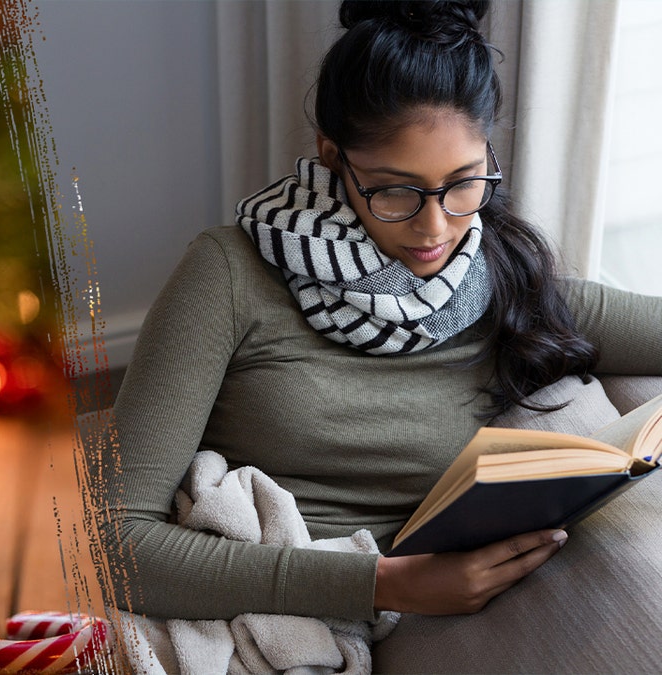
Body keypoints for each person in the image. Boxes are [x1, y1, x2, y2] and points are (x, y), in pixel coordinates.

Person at [101, 0, 662, 624]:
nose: (435, 227)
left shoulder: (501, 274)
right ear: (334, 156)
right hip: (256, 606)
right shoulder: (227, 273)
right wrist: (381, 584)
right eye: (395, 189)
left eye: (464, 182)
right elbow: (116, 544)